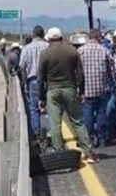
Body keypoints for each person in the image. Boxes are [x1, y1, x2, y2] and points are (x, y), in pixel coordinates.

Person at [38, 28, 97, 164]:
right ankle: (88, 152)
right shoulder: (72, 51)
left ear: (49, 38)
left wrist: (41, 98)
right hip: (70, 88)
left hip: (53, 91)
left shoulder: (45, 53)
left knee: (55, 123)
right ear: (61, 37)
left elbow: (40, 78)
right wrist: (81, 91)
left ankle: (59, 154)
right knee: (77, 121)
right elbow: (81, 74)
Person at [78, 29, 114, 148]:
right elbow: (111, 71)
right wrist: (113, 83)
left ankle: (89, 138)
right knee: (101, 113)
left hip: (86, 89)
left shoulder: (80, 51)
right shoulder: (105, 51)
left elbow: (77, 71)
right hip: (101, 88)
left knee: (87, 114)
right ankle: (101, 138)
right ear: (98, 38)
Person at [19, 26, 49, 142]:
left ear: (33, 35)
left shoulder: (27, 48)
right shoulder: (48, 47)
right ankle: (51, 133)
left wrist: (25, 82)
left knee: (33, 108)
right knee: (50, 107)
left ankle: (36, 134)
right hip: (47, 80)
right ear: (42, 34)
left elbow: (22, 67)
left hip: (33, 81)